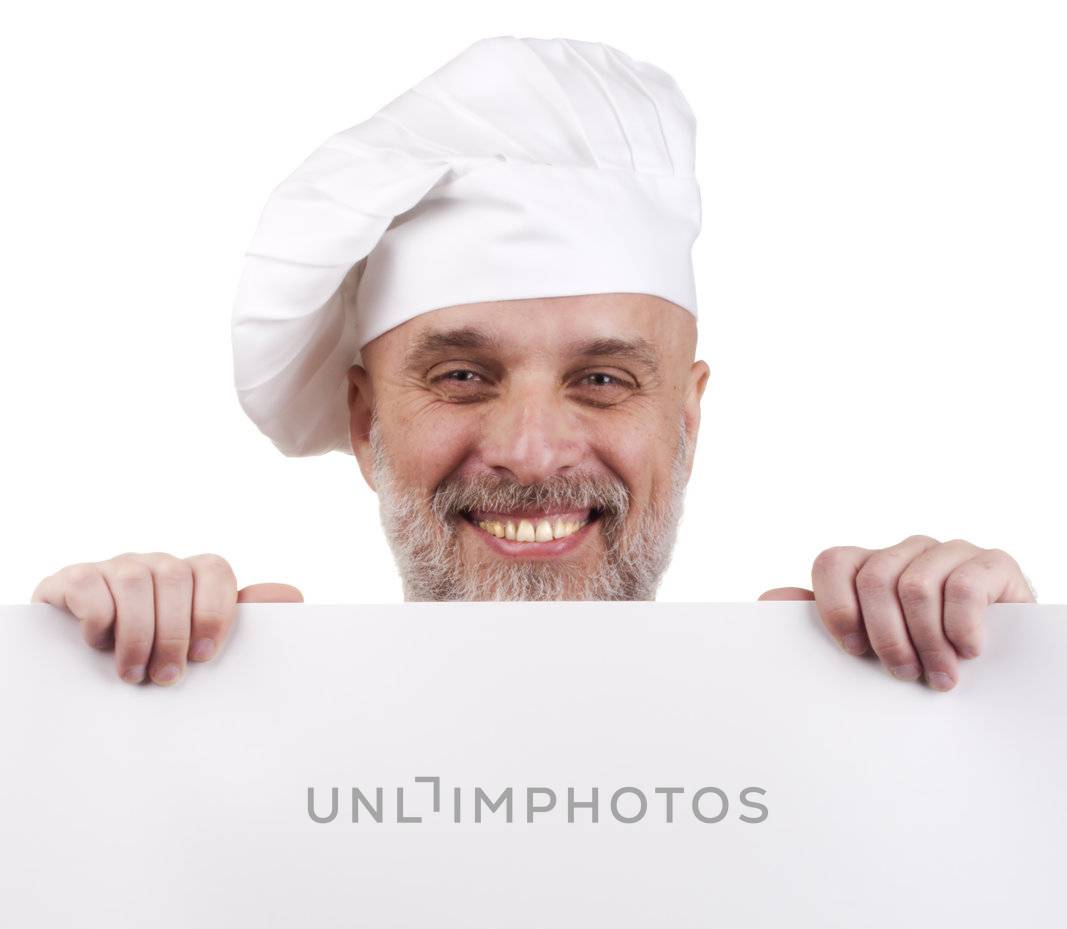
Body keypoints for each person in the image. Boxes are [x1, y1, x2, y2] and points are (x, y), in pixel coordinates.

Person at [30, 36, 1036, 690]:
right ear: (365, 421)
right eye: (462, 375)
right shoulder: (234, 756)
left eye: (602, 380)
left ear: (685, 419)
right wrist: (78, 712)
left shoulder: (846, 741)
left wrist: (1002, 694)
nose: (528, 449)